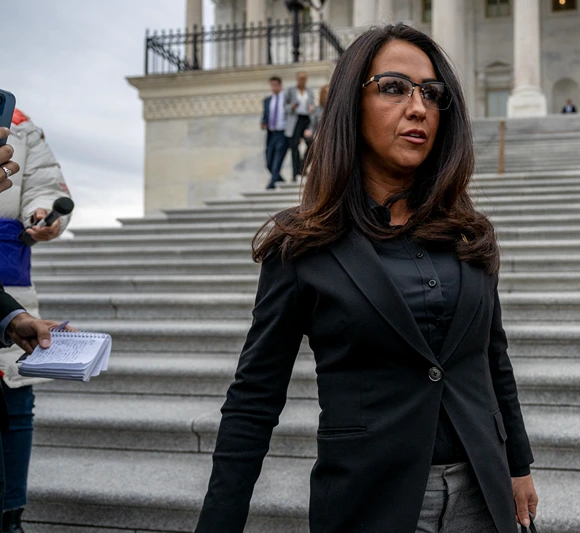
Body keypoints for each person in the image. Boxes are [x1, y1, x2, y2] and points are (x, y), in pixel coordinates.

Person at [195, 23, 538, 533]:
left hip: (482, 498)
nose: (419, 107)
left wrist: (519, 466)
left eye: (432, 93)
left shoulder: (469, 233)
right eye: (395, 87)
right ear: (350, 106)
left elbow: (492, 357)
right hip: (371, 501)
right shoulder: (302, 245)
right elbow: (254, 399)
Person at [0, 109, 72, 530]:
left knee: (15, 397)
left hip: (10, 281)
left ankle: (12, 514)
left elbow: (42, 184)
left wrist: (42, 214)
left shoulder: (20, 123)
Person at [284, 71, 315, 180]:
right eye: (300, 78)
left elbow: (312, 107)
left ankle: (302, 166)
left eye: (304, 78)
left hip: (306, 119)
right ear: (297, 79)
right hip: (295, 120)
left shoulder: (309, 92)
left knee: (311, 144)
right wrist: (292, 106)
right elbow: (285, 107)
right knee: (294, 148)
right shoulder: (290, 91)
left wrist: (311, 108)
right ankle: (294, 174)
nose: (302, 80)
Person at [261, 76, 290, 189]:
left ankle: (272, 184)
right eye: (272, 85)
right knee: (269, 161)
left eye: (276, 85)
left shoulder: (287, 99)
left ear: (280, 85)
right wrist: (263, 123)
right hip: (271, 134)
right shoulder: (267, 101)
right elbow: (265, 117)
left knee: (278, 158)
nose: (274, 87)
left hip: (283, 133)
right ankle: (279, 178)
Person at [303, 84, 328, 152]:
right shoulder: (317, 110)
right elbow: (313, 123)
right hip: (320, 137)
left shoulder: (336, 110)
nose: (328, 95)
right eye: (326, 93)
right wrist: (309, 130)